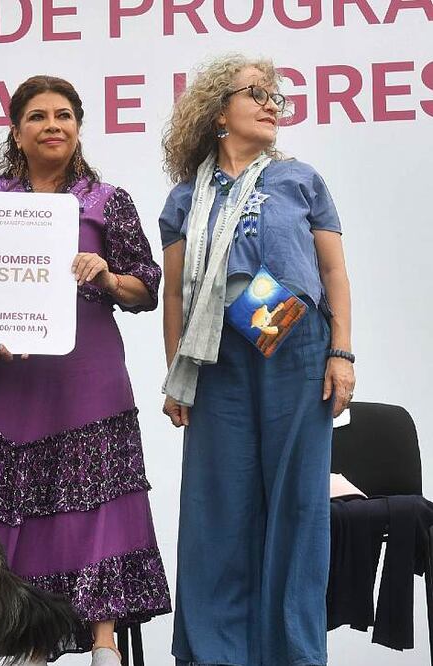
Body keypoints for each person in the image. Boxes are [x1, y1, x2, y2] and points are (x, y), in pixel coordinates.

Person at [0, 75, 171, 666]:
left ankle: (102, 644)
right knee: (2, 506)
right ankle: (25, 644)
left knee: (98, 503)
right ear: (16, 132)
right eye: (39, 116)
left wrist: (106, 275)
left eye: (65, 115)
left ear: (79, 128)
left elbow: (146, 289)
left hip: (85, 378)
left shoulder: (107, 200)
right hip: (2, 380)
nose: (53, 125)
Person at [159, 55, 354, 666]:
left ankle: (294, 652)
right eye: (259, 95)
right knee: (218, 505)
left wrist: (342, 352)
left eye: (278, 99)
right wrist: (176, 377)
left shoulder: (301, 179)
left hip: (295, 348)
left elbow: (333, 271)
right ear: (219, 112)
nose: (274, 106)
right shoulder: (185, 198)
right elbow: (173, 294)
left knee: (298, 504)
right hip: (215, 357)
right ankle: (218, 653)